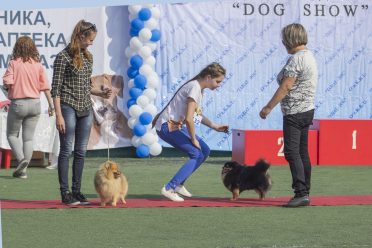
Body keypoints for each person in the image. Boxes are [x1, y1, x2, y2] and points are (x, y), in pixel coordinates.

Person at [51, 20, 112, 206]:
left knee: (81, 152)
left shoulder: (88, 57)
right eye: (89, 39)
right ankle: (65, 193)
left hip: (86, 109)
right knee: (66, 150)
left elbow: (86, 87)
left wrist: (101, 93)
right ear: (80, 36)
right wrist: (59, 115)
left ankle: (76, 191)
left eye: (93, 40)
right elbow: (55, 89)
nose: (91, 43)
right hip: (68, 107)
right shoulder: (63, 57)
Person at [259, 23, 318, 207]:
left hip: (294, 111)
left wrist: (268, 107)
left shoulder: (296, 60)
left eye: (284, 39)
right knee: (302, 152)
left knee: (292, 152)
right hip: (307, 110)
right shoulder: (309, 56)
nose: (283, 43)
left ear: (290, 39)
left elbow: (286, 86)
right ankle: (305, 191)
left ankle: (300, 193)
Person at [153, 62, 229, 202]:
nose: (219, 84)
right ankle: (169, 188)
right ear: (208, 77)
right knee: (196, 153)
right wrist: (193, 138)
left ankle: (179, 184)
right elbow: (189, 119)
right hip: (166, 127)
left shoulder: (198, 89)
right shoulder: (194, 87)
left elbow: (194, 115)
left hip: (174, 127)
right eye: (218, 81)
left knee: (204, 150)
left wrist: (215, 126)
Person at [2, 36, 54, 179]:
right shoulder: (38, 65)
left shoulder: (13, 63)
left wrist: (8, 87)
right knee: (28, 139)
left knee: (12, 135)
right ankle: (23, 171)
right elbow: (46, 87)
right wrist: (51, 106)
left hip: (18, 104)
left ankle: (22, 161)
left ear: (17, 48)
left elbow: (7, 82)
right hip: (35, 104)